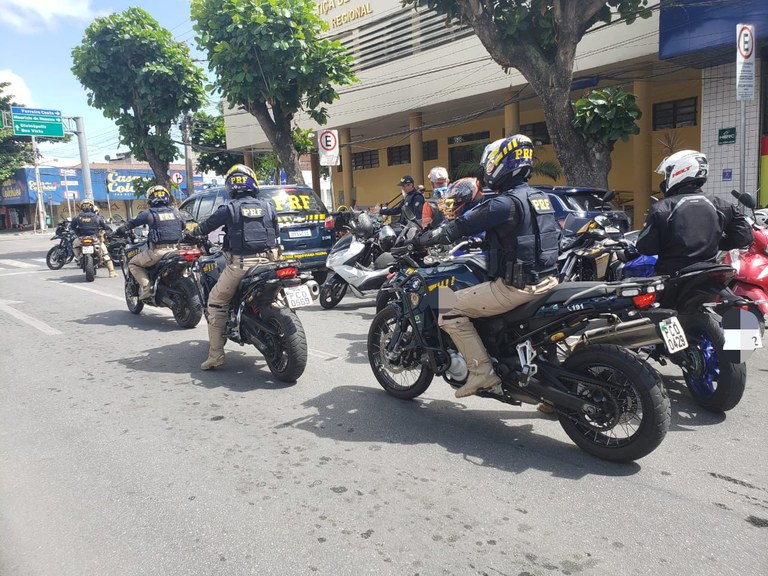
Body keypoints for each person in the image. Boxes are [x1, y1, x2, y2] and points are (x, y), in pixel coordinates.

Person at [416, 135, 561, 398]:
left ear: (500, 165)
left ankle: (481, 372)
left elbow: (459, 226)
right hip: (549, 282)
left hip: (516, 288)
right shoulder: (541, 197)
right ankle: (551, 396)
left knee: (446, 306)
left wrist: (426, 238)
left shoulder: (503, 203)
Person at [191, 164, 280, 371]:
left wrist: (194, 232)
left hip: (241, 265)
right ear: (253, 184)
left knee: (216, 302)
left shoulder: (229, 209)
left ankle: (215, 355)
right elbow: (275, 230)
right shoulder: (268, 206)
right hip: (270, 262)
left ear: (231, 187)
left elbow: (205, 227)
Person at [635, 149, 753, 275]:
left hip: (672, 278)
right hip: (709, 276)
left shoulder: (662, 208)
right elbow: (744, 236)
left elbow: (645, 247)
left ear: (679, 171)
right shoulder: (722, 205)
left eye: (667, 174)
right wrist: (714, 242)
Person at [115, 185, 184, 300]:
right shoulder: (176, 212)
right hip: (178, 250)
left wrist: (119, 230)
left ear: (150, 199)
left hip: (159, 252)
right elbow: (184, 226)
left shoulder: (149, 213)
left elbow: (131, 223)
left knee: (133, 263)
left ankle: (147, 288)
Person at [71, 199, 117, 277]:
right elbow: (103, 226)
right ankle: (112, 272)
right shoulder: (97, 217)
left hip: (81, 239)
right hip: (95, 239)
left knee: (74, 245)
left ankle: (79, 257)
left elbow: (73, 227)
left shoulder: (77, 217)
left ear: (81, 207)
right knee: (105, 253)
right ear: (92, 207)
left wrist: (78, 233)